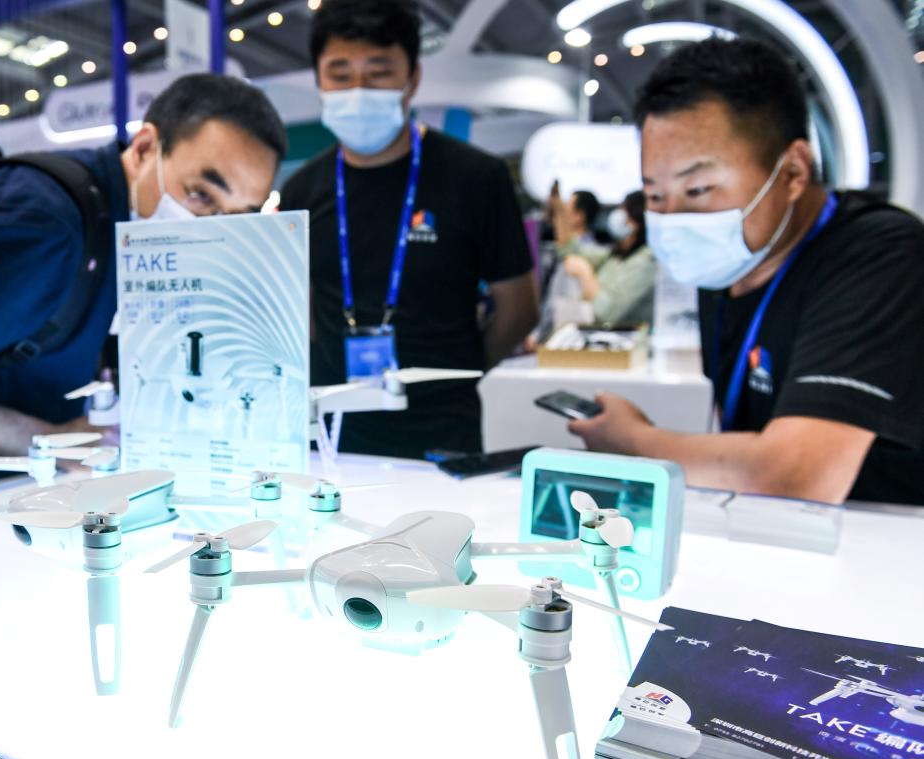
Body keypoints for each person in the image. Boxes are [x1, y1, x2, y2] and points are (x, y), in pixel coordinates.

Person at [0, 74, 286, 454]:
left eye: (236, 216)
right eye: (201, 195)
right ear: (147, 146)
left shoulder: (115, 224)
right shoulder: (44, 226)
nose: (211, 227)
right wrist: (49, 439)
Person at [568, 38, 924, 505]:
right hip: (785, 537)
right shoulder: (732, 263)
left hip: (890, 549)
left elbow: (797, 475)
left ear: (794, 172)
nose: (673, 218)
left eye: (698, 189)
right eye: (655, 195)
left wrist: (634, 442)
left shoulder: (881, 253)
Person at [278, 0, 537, 459]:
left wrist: (459, 369)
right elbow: (305, 315)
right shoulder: (302, 190)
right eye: (340, 73)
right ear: (319, 80)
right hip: (333, 431)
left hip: (442, 427)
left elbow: (518, 308)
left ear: (412, 79)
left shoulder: (476, 177)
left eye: (378, 72)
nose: (358, 88)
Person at [561, 191, 656, 328]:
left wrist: (585, 273)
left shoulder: (646, 263)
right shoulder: (617, 253)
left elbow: (605, 313)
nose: (617, 215)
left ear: (635, 221)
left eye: (623, 210)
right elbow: (569, 250)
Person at [527, 188, 607, 347]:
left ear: (580, 216)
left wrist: (538, 335)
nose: (557, 217)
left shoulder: (585, 256)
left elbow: (560, 302)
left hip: (564, 339)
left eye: (563, 210)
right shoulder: (561, 251)